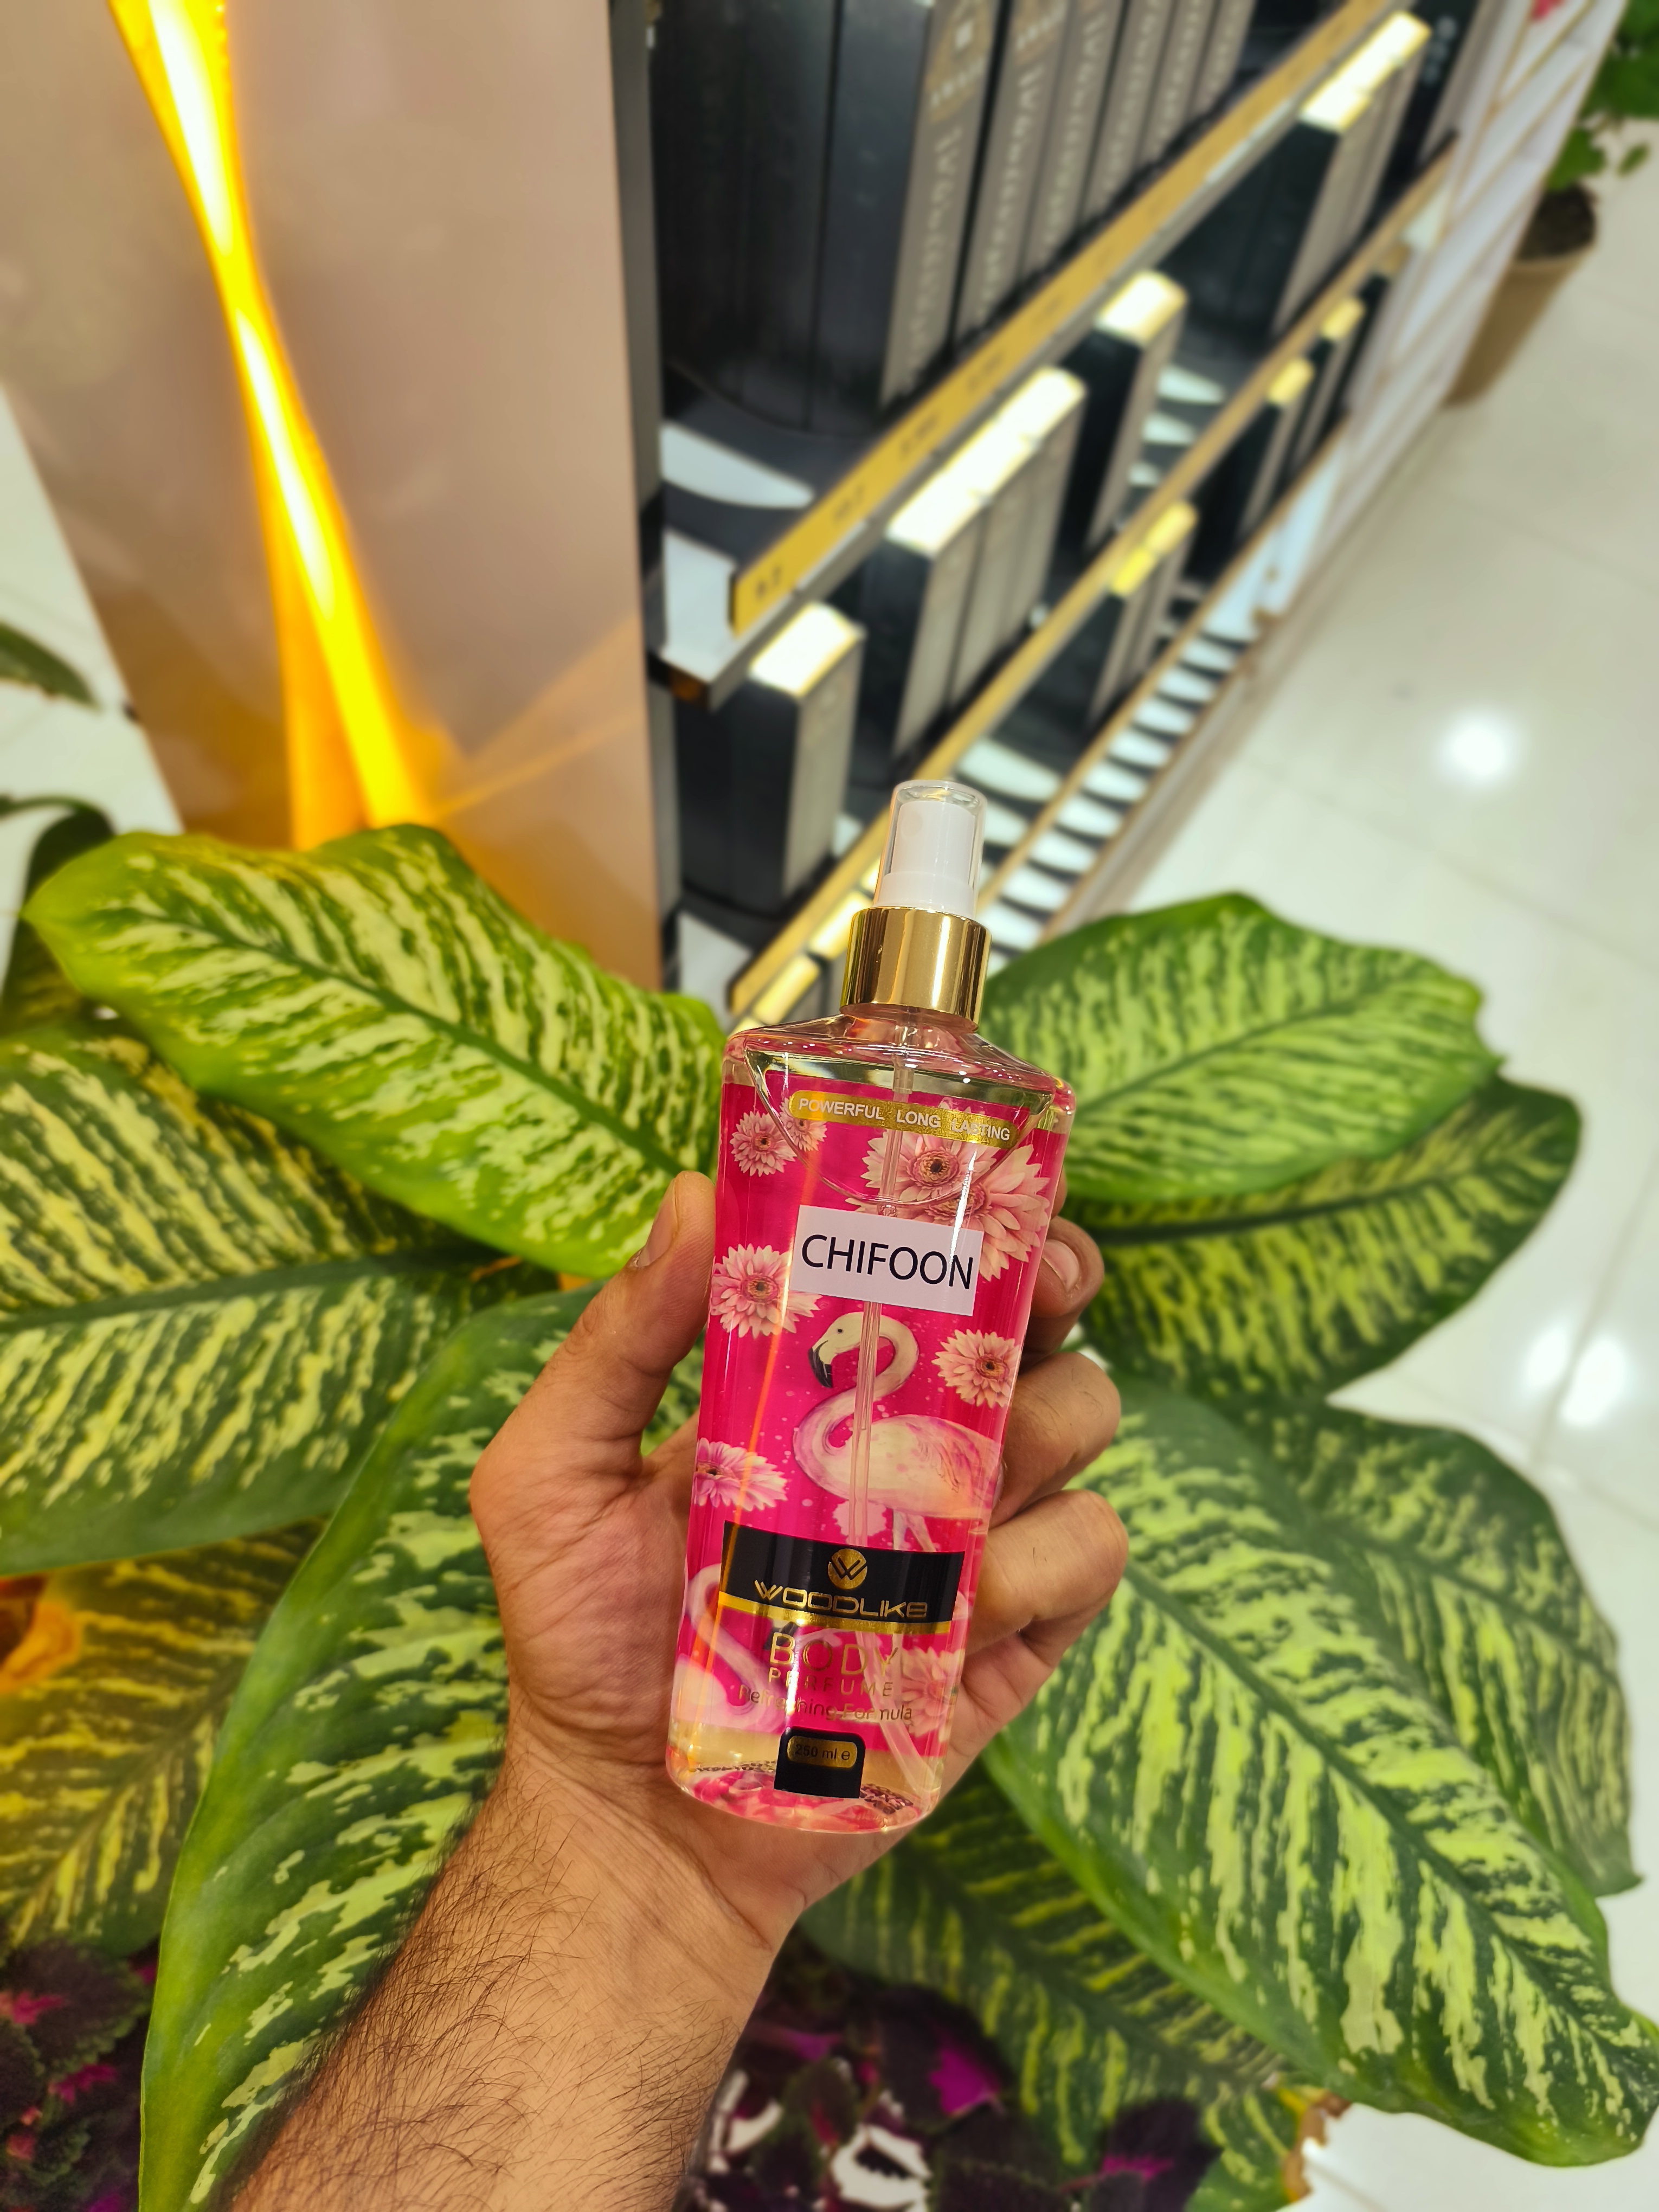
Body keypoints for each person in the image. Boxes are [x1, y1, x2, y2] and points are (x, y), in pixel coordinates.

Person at [237, 1172, 1126, 2209]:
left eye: (853, 1349)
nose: (839, 1358)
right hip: (700, 1738)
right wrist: (609, 1831)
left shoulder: (891, 1412)